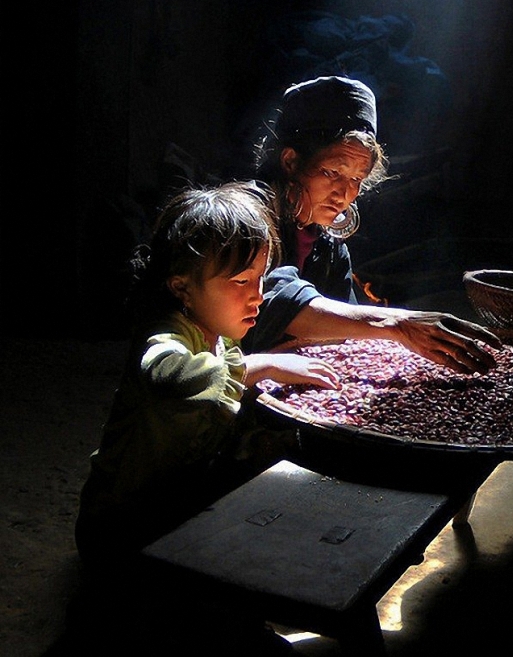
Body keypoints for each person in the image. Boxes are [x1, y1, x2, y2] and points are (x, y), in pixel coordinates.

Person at [75, 180, 340, 570]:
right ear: (181, 287)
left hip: (177, 492)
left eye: (260, 277)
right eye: (240, 281)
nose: (258, 295)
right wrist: (261, 365)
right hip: (120, 527)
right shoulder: (166, 335)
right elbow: (169, 373)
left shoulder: (223, 338)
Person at [241, 75, 501, 374]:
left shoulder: (327, 245)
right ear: (290, 161)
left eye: (356, 178)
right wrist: (396, 323)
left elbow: (345, 321)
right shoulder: (243, 218)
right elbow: (275, 297)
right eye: (332, 172)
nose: (344, 193)